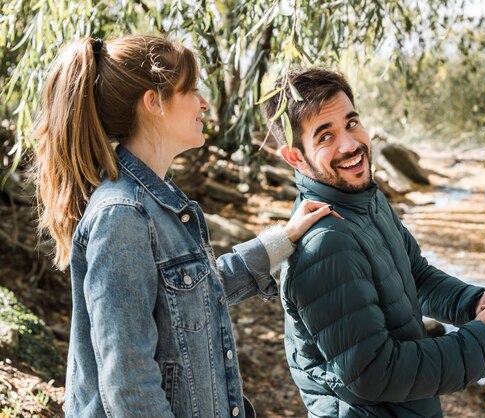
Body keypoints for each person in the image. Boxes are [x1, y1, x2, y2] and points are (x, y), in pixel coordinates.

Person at [34, 35, 336, 418]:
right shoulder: (122, 217)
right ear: (153, 102)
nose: (204, 102)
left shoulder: (158, 203)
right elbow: (130, 389)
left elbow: (193, 295)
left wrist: (281, 240)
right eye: (191, 90)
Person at [261, 67, 485, 417]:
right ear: (295, 156)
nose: (350, 145)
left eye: (352, 123)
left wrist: (473, 303)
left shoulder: (365, 199)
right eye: (325, 137)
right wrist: (481, 340)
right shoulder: (325, 244)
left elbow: (414, 275)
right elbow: (373, 373)